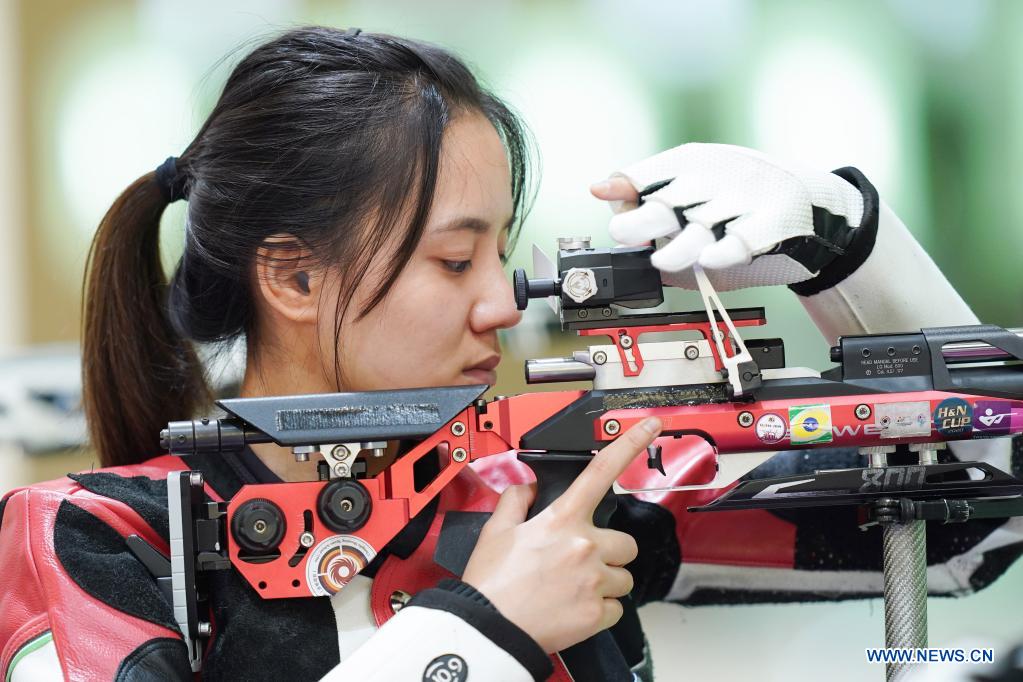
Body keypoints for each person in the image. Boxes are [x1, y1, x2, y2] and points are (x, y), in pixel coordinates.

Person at [0, 25, 1018, 681]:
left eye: (500, 248)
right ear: (294, 278)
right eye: (453, 259)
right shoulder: (92, 538)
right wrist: (483, 626)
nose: (502, 301)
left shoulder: (531, 494)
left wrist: (846, 243)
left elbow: (970, 516)